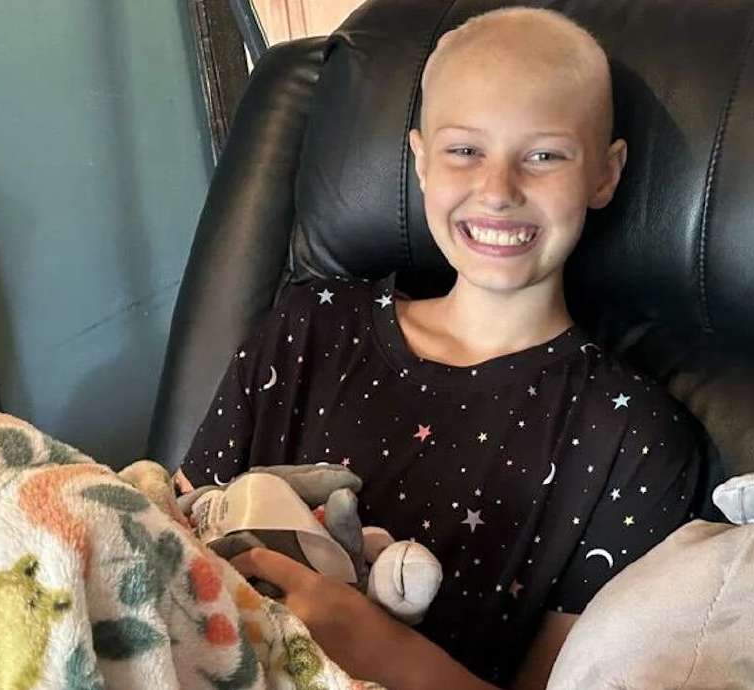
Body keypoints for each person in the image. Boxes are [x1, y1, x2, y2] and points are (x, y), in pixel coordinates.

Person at [177, 7, 710, 688]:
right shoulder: (307, 327)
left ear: (604, 175)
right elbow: (169, 532)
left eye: (544, 156)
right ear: (422, 160)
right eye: (465, 151)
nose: (498, 191)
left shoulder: (633, 440)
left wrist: (375, 646)